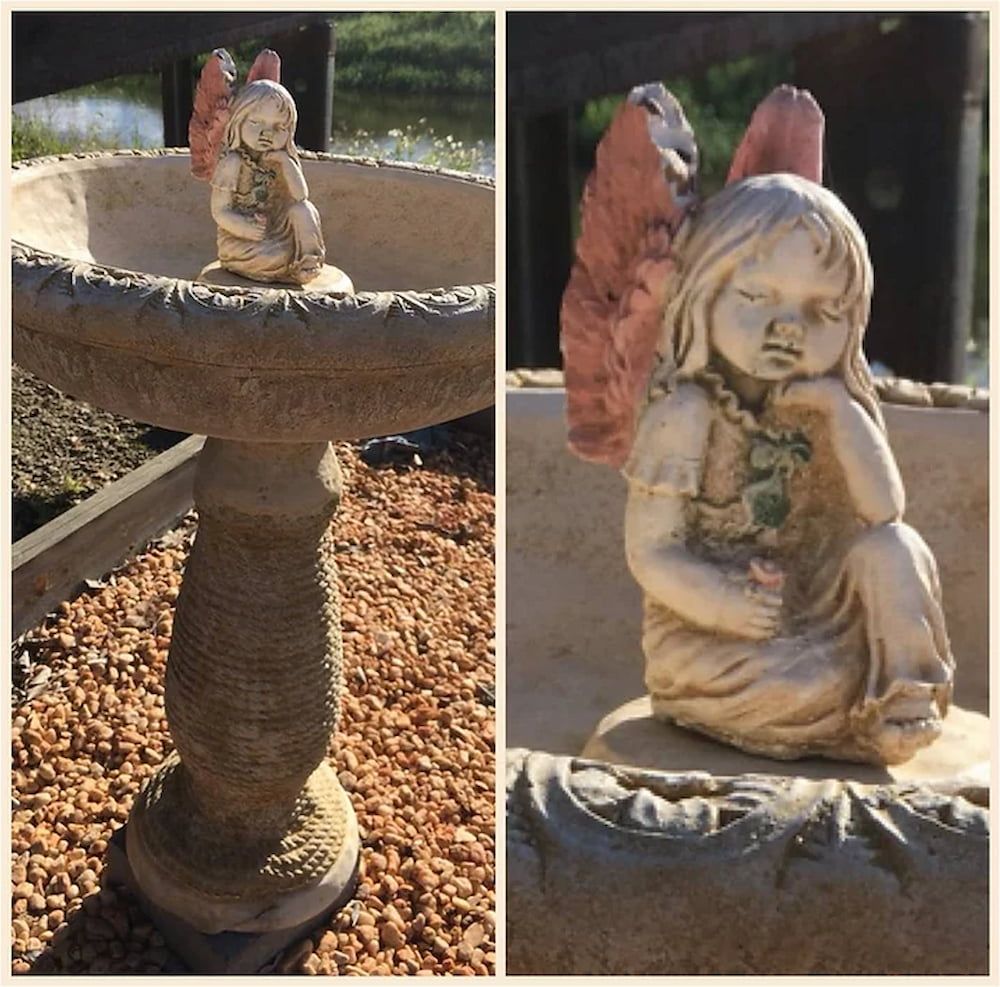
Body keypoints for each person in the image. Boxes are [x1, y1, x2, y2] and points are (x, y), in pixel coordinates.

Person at [622, 172, 953, 765]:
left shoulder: (833, 407)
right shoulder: (688, 414)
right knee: (813, 681)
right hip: (713, 630)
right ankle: (846, 704)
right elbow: (651, 552)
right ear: (704, 294)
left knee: (896, 548)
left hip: (818, 604)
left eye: (822, 309)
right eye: (757, 298)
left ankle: (899, 698)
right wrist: (724, 604)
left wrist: (839, 411)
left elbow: (884, 512)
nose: (788, 328)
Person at [210, 79, 325, 285]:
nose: (267, 133)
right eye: (256, 123)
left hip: (277, 229)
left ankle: (306, 262)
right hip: (242, 238)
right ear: (239, 122)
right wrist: (245, 228)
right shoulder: (233, 163)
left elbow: (300, 196)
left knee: (304, 210)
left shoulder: (281, 160)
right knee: (277, 255)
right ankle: (283, 266)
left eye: (279, 126)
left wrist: (286, 162)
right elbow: (220, 210)